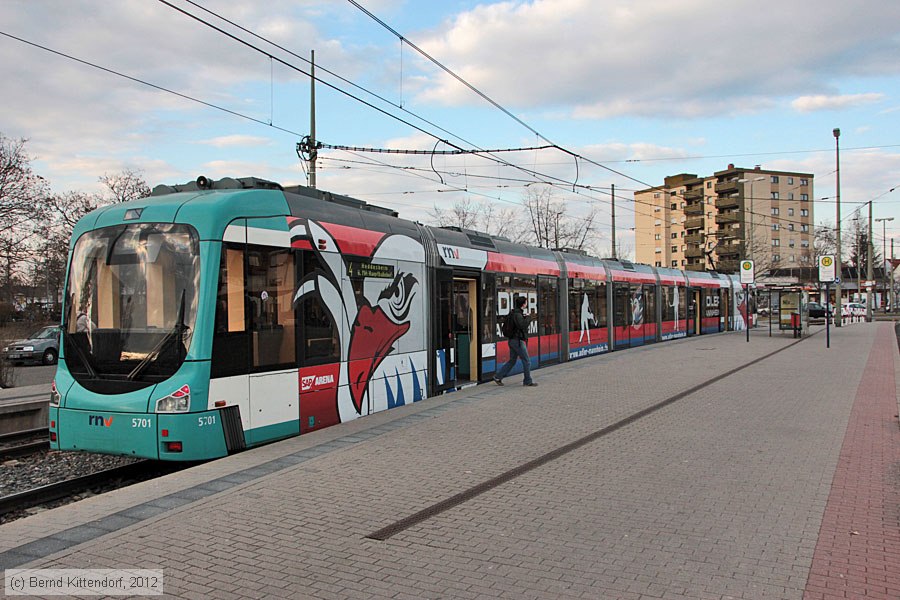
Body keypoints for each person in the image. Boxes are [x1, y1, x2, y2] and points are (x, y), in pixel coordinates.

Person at [494, 295, 538, 387]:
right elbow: (522, 325)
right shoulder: (518, 315)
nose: (526, 304)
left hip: (512, 340)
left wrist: (524, 317)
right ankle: (527, 381)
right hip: (517, 341)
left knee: (512, 360)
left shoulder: (514, 313)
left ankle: (498, 376)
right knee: (527, 361)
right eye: (526, 302)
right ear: (523, 304)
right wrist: (529, 318)